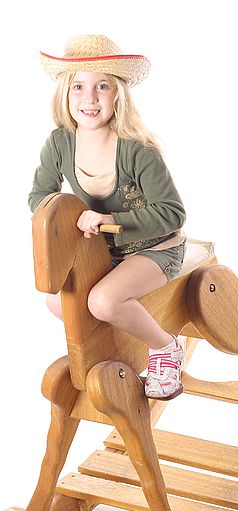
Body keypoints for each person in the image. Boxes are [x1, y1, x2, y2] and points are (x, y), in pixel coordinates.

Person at [28, 34, 186, 399]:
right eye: (78, 87)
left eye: (102, 86)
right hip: (104, 252)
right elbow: (40, 196)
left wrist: (109, 220)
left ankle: (165, 347)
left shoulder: (137, 149)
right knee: (56, 300)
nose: (89, 98)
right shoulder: (59, 142)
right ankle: (114, 341)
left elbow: (172, 213)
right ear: (65, 95)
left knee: (102, 301)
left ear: (118, 95)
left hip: (154, 247)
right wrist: (70, 214)